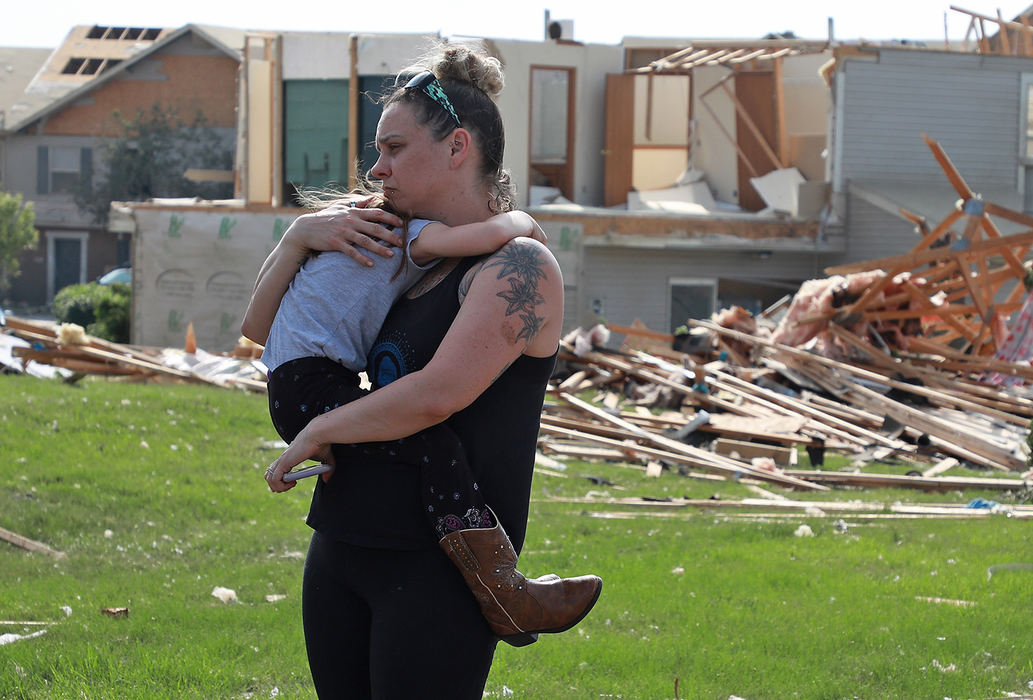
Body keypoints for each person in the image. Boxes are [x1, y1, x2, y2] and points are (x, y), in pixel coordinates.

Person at [244, 44, 601, 698]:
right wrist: (298, 235)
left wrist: (316, 427)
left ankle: (512, 594)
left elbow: (437, 395)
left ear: (456, 147)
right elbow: (260, 330)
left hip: (438, 572)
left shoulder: (517, 267)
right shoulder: (394, 253)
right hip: (341, 544)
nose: (377, 170)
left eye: (395, 149)